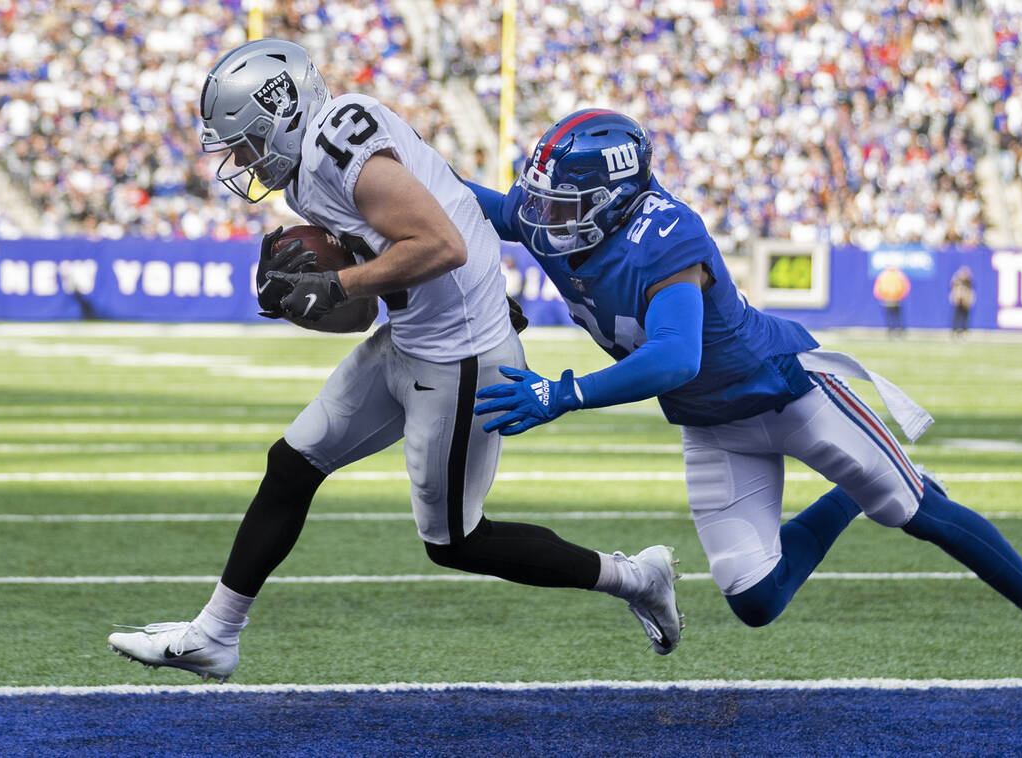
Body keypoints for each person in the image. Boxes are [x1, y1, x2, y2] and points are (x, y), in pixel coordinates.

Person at [463, 109, 1022, 726]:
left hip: (789, 391)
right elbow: (466, 203)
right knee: (754, 600)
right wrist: (387, 168)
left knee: (916, 510)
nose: (542, 214)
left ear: (615, 199)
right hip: (714, 426)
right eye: (542, 198)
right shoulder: (554, 214)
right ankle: (849, 498)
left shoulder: (664, 234)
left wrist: (565, 394)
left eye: (562, 204)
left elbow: (674, 357)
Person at [107, 44, 682, 682]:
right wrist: (307, 300)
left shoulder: (336, 143)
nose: (241, 160)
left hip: (462, 355)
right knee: (292, 463)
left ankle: (636, 577)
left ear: (282, 113)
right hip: (412, 337)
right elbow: (372, 297)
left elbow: (442, 244)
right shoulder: (305, 168)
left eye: (246, 143)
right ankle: (215, 635)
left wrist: (337, 286)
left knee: (456, 544)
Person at [873, 265, 909, 336]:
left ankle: (890, 330)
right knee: (897, 316)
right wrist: (901, 296)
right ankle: (899, 330)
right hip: (897, 298)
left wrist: (881, 296)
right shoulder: (899, 275)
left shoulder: (883, 275)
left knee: (889, 316)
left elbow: (877, 288)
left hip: (887, 299)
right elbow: (905, 287)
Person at [949, 266, 975, 336]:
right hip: (959, 301)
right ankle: (955, 330)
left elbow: (970, 292)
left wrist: (969, 300)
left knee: (964, 317)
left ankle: (964, 331)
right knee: (957, 316)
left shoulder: (968, 283)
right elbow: (953, 285)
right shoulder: (957, 282)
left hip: (965, 302)